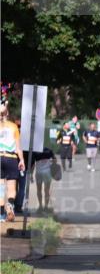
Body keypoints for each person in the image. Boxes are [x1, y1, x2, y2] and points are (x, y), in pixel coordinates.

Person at [0, 91, 25, 223]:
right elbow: (18, 147)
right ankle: (10, 205)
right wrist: (21, 160)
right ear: (7, 114)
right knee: (11, 187)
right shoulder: (14, 126)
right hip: (11, 158)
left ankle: (0, 214)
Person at [31, 146, 56, 211]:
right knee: (47, 190)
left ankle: (40, 206)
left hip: (39, 172)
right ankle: (46, 207)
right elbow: (54, 160)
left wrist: (31, 174)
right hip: (47, 172)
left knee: (39, 190)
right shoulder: (49, 150)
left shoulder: (35, 151)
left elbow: (33, 164)